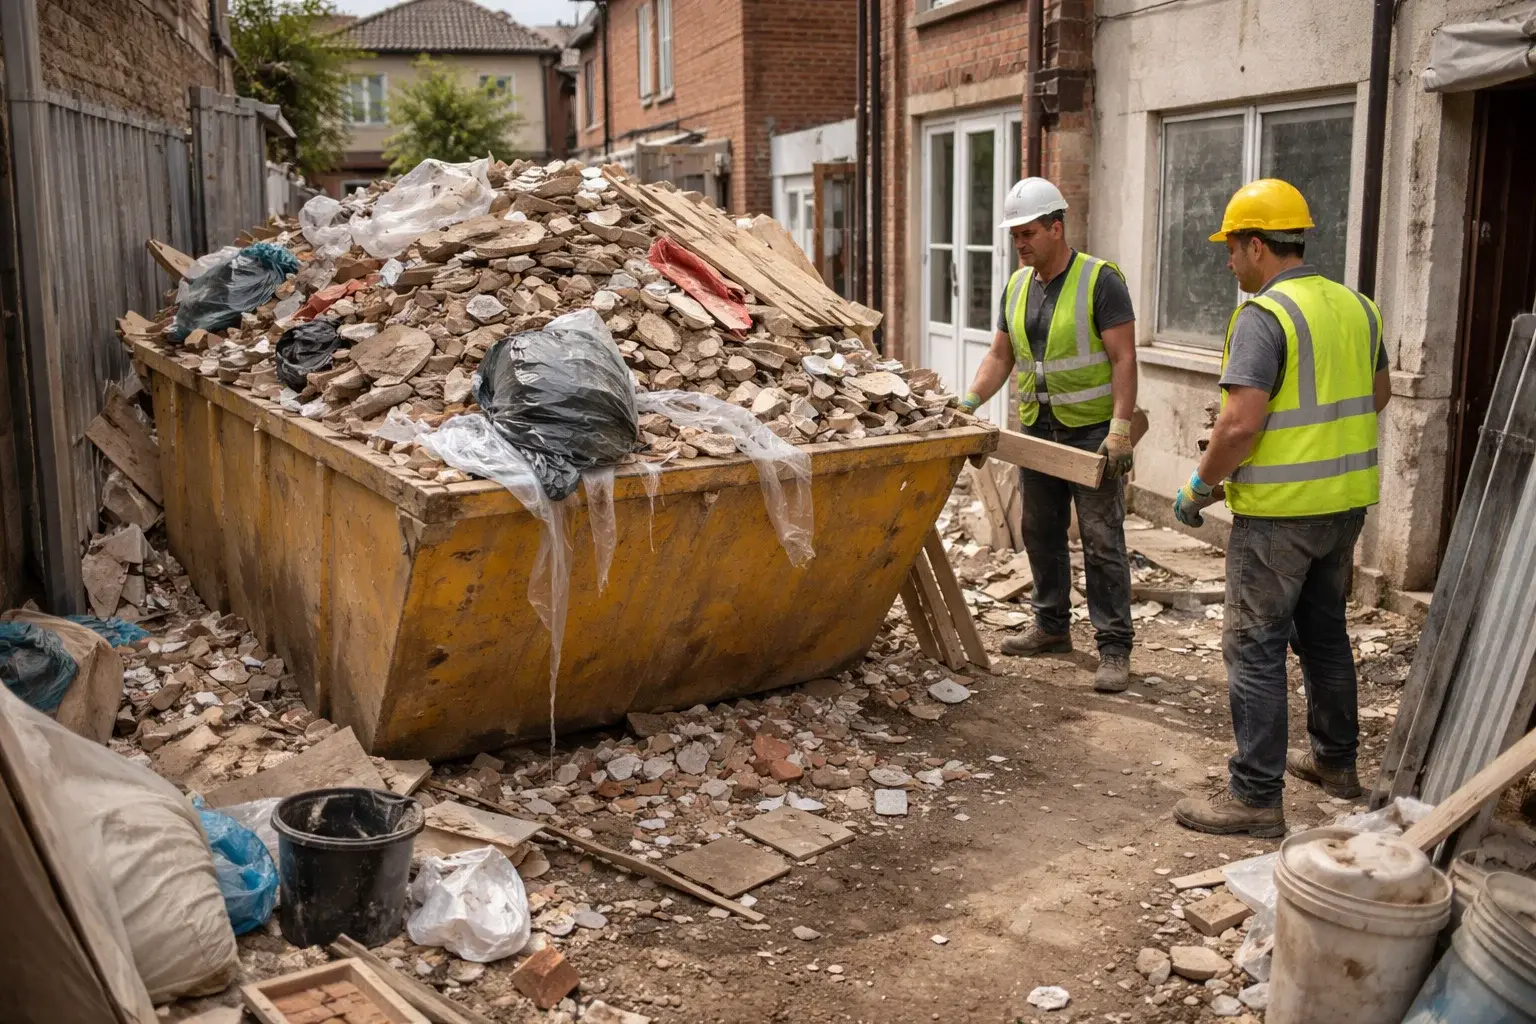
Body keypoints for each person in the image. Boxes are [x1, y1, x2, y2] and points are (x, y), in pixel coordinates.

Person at [1171, 178, 1391, 838]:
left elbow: (1239, 427)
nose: (1228, 262)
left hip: (1279, 515)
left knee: (1254, 647)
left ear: (1257, 246)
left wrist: (1199, 486)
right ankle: (1336, 764)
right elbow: (1377, 393)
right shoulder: (1357, 307)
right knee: (1324, 635)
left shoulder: (1264, 316)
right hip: (1343, 507)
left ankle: (1256, 796)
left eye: (1231, 248)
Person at [959, 177, 1139, 692]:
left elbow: (1124, 358)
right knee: (1039, 530)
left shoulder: (1100, 280)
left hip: (1091, 434)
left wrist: (1120, 428)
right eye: (1015, 235)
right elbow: (1000, 356)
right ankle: (1052, 627)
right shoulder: (1017, 286)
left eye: (1029, 233)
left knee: (1102, 540)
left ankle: (1114, 647)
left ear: (1057, 228)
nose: (1020, 243)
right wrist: (969, 402)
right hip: (1037, 430)